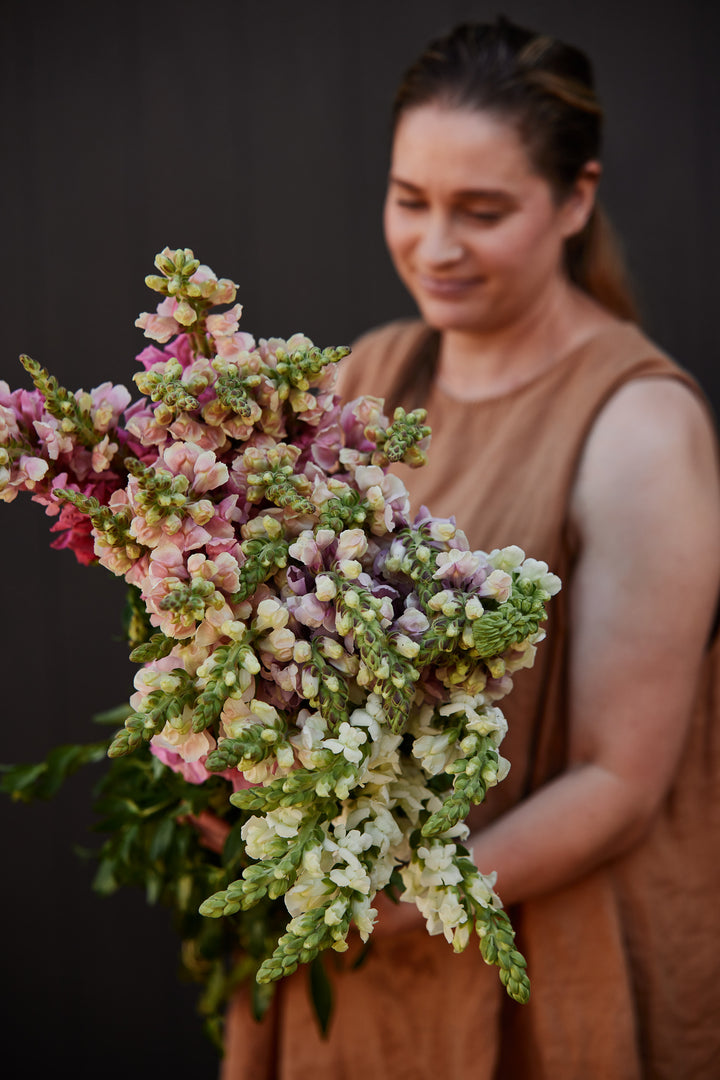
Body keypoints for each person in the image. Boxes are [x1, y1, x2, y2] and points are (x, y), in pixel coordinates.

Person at [221, 17, 720, 1078]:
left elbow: (620, 778)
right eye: (411, 200)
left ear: (575, 199)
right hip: (353, 964)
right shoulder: (368, 378)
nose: (435, 247)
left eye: (481, 211)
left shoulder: (639, 427)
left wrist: (398, 900)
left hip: (538, 954)